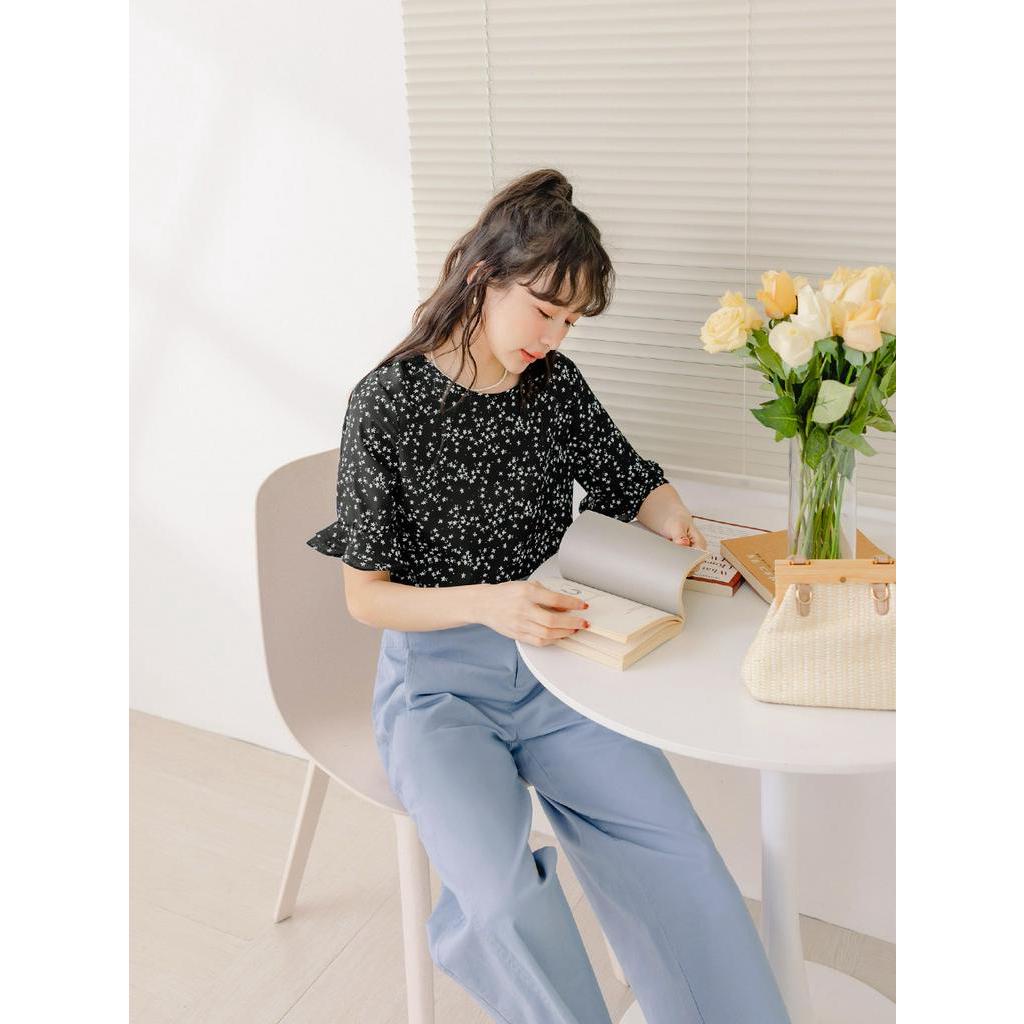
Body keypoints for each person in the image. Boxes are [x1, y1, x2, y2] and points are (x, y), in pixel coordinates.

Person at [306, 168, 791, 1024]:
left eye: (571, 322)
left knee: (680, 861)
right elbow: (367, 599)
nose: (555, 336)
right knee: (499, 902)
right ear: (482, 277)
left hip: (564, 665)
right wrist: (489, 603)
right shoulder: (385, 405)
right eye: (545, 311)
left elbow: (626, 476)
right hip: (438, 690)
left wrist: (669, 513)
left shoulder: (553, 387)